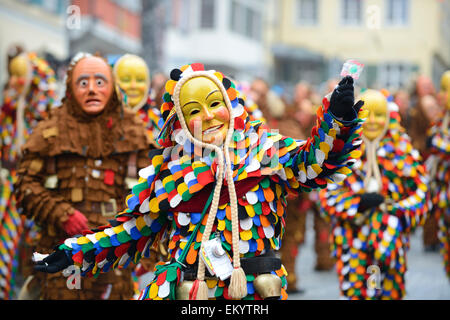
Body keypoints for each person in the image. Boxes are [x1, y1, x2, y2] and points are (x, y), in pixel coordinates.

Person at [33, 63, 365, 301]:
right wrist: (73, 253)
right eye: (194, 110)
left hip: (254, 291)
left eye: (214, 104)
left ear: (230, 107)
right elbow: (133, 232)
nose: (207, 116)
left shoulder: (265, 152)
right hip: (190, 292)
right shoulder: (170, 173)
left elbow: (314, 164)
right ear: (179, 120)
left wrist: (337, 119)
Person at [14, 53, 152, 300]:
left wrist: (121, 227)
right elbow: (25, 184)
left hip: (114, 257)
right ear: (70, 87)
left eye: (100, 82)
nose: (92, 90)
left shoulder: (133, 129)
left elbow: (148, 190)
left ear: (111, 86)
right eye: (83, 83)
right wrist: (61, 214)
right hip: (60, 251)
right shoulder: (51, 128)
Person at [319, 89, 429, 299]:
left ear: (389, 117)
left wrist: (395, 210)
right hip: (352, 245)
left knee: (386, 290)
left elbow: (421, 194)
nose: (372, 121)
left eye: (379, 115)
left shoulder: (402, 153)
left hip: (390, 246)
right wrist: (357, 204)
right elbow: (327, 194)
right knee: (358, 292)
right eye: (367, 114)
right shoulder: (341, 152)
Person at [0, 51, 56, 299]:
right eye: (12, 75)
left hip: (34, 191)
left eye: (19, 76)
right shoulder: (8, 109)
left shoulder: (43, 118)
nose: (13, 81)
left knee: (31, 247)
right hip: (7, 188)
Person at [426, 70, 450, 279]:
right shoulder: (442, 120)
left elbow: (441, 146)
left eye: (445, 90)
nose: (441, 95)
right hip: (443, 197)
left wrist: (437, 145)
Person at [113, 54, 162, 145]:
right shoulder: (102, 121)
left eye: (140, 80)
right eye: (126, 80)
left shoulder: (160, 123)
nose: (133, 86)